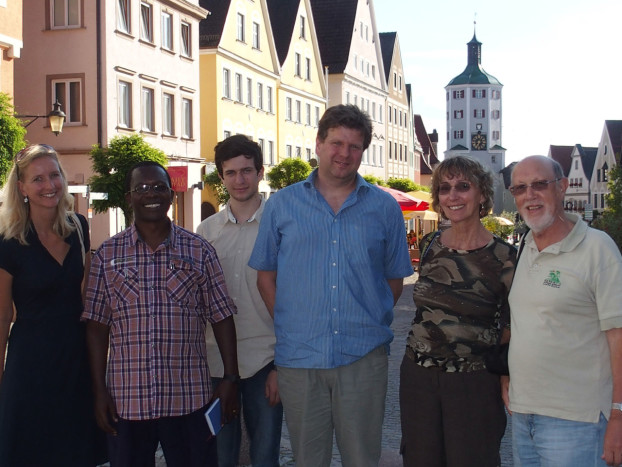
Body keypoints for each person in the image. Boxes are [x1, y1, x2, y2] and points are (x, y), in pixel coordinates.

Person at [249, 104, 413, 467]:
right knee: (309, 459)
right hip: (300, 358)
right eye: (337, 143)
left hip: (363, 356)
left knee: (362, 458)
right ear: (319, 143)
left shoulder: (385, 208)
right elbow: (265, 277)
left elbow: (394, 279)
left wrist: (371, 317)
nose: (345, 154)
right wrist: (292, 326)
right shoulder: (283, 205)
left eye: (355, 147)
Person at [82, 161, 240, 467]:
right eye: (141, 188)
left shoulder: (199, 251)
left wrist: (230, 378)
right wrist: (98, 392)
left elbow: (222, 315)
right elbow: (96, 328)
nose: (150, 194)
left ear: (170, 195)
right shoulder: (107, 256)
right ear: (129, 197)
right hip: (128, 401)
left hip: (188, 399)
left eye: (159, 188)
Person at [505, 155, 622, 466]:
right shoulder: (526, 246)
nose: (529, 195)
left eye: (540, 184)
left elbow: (618, 338)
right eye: (519, 188)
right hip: (524, 415)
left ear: (562, 187)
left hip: (576, 421)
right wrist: (507, 379)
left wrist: (619, 415)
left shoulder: (598, 248)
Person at [399, 156, 516, 467]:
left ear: (482, 195)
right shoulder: (429, 244)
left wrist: (505, 376)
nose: (452, 196)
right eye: (444, 188)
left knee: (473, 459)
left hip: (474, 382)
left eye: (463, 187)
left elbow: (510, 325)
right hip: (418, 376)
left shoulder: (506, 258)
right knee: (419, 459)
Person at [0, 144, 107, 465]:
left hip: (76, 358)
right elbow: (2, 316)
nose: (49, 186)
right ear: (22, 188)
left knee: (75, 451)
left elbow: (86, 295)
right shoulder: (7, 241)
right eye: (38, 179)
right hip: (31, 363)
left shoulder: (79, 227)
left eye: (54, 175)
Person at [196, 135, 283, 467]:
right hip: (216, 362)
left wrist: (282, 365)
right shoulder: (206, 233)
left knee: (265, 455)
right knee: (219, 455)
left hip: (266, 358)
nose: (239, 180)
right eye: (231, 173)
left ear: (260, 172)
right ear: (221, 177)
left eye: (247, 171)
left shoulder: (281, 227)